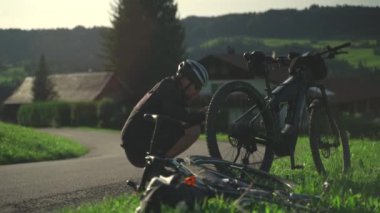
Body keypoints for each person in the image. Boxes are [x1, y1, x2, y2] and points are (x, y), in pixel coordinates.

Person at [121, 59, 209, 168]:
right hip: (136, 144)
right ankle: (159, 164)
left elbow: (181, 116)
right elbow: (181, 116)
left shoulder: (174, 90)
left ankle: (159, 164)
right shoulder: (168, 87)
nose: (197, 92)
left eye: (199, 88)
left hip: (140, 140)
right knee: (194, 131)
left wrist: (201, 115)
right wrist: (203, 115)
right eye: (196, 86)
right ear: (185, 79)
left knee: (191, 127)